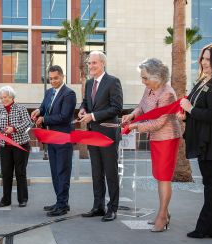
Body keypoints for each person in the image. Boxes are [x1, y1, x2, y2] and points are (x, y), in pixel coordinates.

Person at [179, 42, 212, 238]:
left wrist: (190, 109)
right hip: (209, 141)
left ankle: (206, 229)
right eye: (202, 58)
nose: (204, 62)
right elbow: (198, 108)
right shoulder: (206, 81)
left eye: (209, 59)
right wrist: (187, 114)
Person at [122, 58, 181, 232]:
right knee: (159, 176)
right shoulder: (150, 88)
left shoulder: (167, 94)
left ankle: (162, 217)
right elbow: (141, 106)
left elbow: (158, 123)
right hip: (156, 138)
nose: (143, 82)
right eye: (142, 78)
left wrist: (134, 126)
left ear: (158, 76)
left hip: (167, 138)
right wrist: (132, 115)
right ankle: (164, 212)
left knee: (164, 178)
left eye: (145, 78)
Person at [78, 51, 123, 222]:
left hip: (107, 134)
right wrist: (83, 109)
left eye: (94, 63)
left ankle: (112, 208)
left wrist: (93, 116)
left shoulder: (113, 82)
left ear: (102, 63)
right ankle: (98, 206)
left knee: (110, 173)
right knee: (96, 173)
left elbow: (117, 108)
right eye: (89, 63)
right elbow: (86, 102)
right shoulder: (89, 83)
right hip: (92, 134)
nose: (90, 66)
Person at [31, 65, 77, 216]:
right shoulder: (49, 92)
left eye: (56, 78)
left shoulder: (69, 94)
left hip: (63, 138)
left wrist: (44, 118)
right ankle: (60, 201)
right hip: (51, 138)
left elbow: (64, 117)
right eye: (50, 79)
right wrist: (39, 111)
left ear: (62, 77)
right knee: (55, 172)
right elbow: (45, 107)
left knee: (63, 172)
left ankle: (62, 205)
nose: (53, 81)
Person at [0, 86, 32, 208]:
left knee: (20, 172)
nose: (3, 99)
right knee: (6, 173)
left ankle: (22, 199)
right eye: (1, 97)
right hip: (5, 146)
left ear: (11, 97)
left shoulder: (21, 108)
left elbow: (28, 123)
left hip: (21, 145)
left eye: (5, 97)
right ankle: (6, 199)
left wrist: (14, 129)